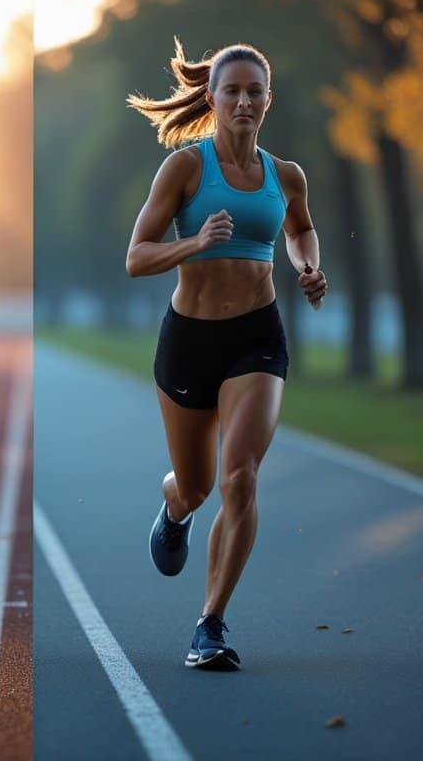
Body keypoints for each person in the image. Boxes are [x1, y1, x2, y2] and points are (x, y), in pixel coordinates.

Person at [125, 39, 327, 671]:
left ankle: (209, 624)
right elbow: (136, 257)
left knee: (240, 476)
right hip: (189, 342)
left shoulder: (285, 174)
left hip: (256, 340)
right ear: (211, 99)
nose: (243, 100)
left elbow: (300, 228)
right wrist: (194, 244)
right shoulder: (186, 168)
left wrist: (307, 267)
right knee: (198, 484)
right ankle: (175, 509)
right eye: (231, 90)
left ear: (269, 101)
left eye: (254, 91)